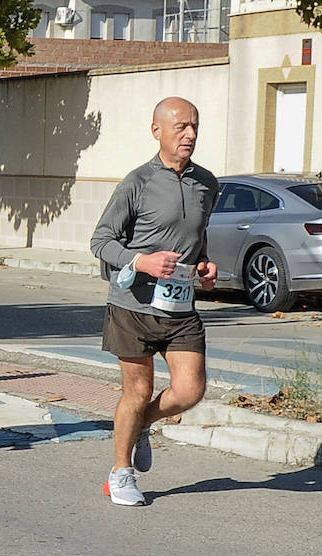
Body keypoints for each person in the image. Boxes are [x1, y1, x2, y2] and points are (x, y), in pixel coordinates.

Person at [90, 96, 218, 507]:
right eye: (181, 126)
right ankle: (120, 473)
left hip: (180, 307)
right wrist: (141, 260)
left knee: (190, 390)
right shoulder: (137, 182)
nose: (190, 134)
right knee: (138, 390)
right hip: (133, 305)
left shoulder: (207, 183)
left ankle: (140, 425)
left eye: (194, 126)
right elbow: (101, 241)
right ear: (157, 131)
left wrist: (205, 264)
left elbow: (197, 237)